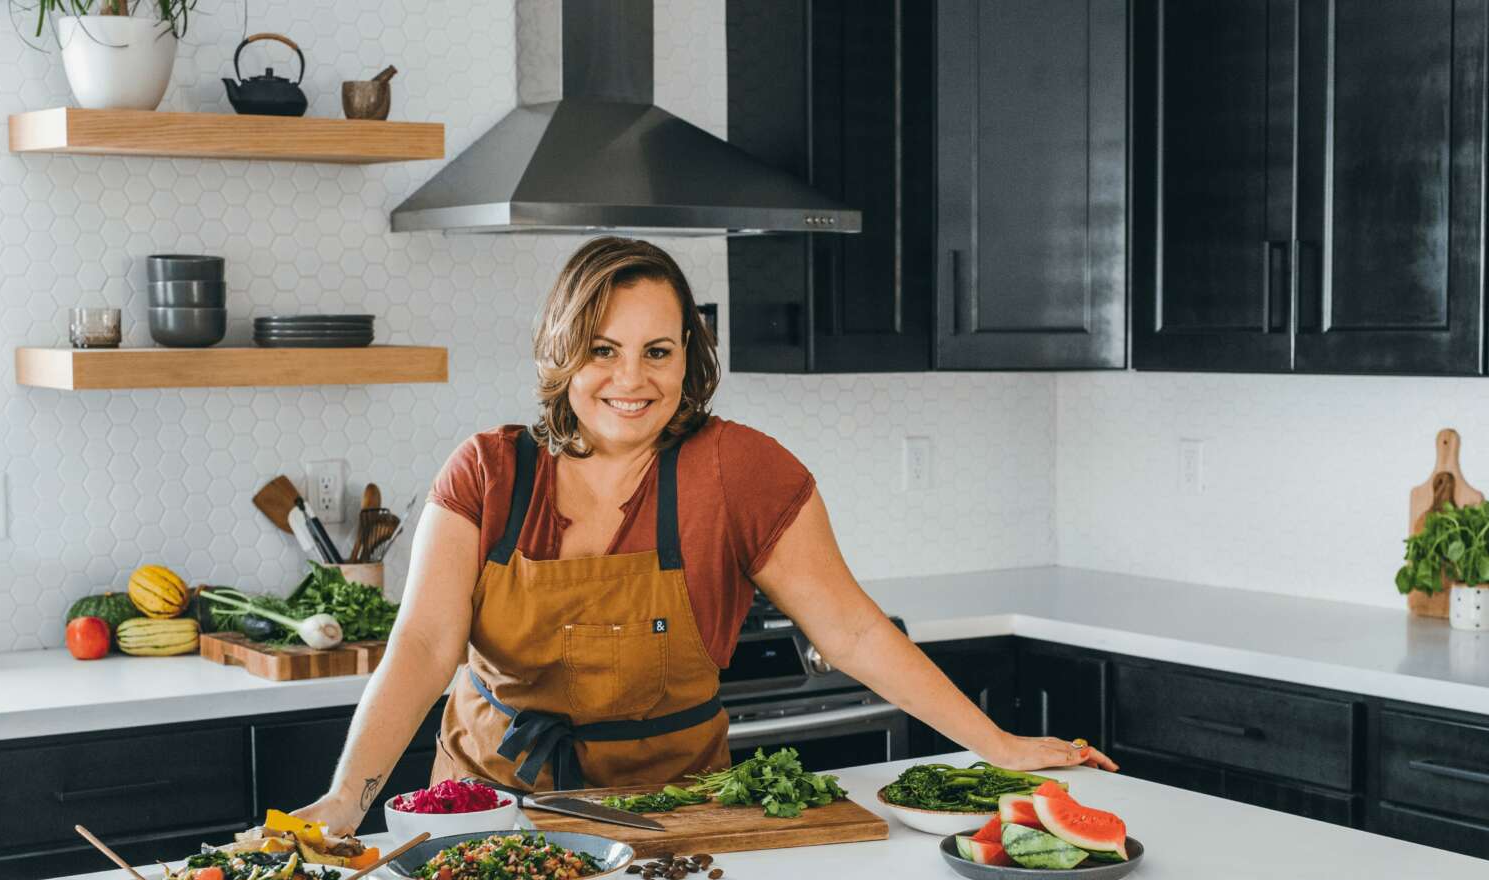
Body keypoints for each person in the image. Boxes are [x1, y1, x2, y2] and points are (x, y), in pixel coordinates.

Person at [296, 237, 1115, 834]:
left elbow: (854, 631)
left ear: (689, 356)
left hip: (677, 819)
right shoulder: (488, 471)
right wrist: (345, 800)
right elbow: (423, 647)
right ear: (560, 351)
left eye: (657, 351)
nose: (632, 379)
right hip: (493, 815)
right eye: (603, 350)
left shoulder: (737, 471)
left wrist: (998, 745)